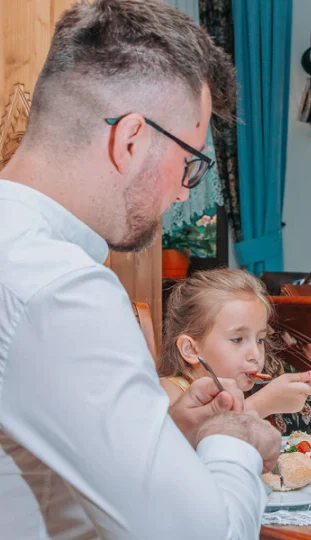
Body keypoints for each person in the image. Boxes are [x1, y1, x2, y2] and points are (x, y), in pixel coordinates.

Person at [0, 1, 280, 538]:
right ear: (129, 139)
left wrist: (163, 435)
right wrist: (234, 440)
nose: (182, 192)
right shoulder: (62, 288)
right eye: (190, 163)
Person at [158, 268, 311, 416]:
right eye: (237, 339)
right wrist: (262, 405)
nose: (256, 354)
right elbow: (187, 439)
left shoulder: (235, 390)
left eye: (260, 340)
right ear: (191, 349)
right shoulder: (168, 392)